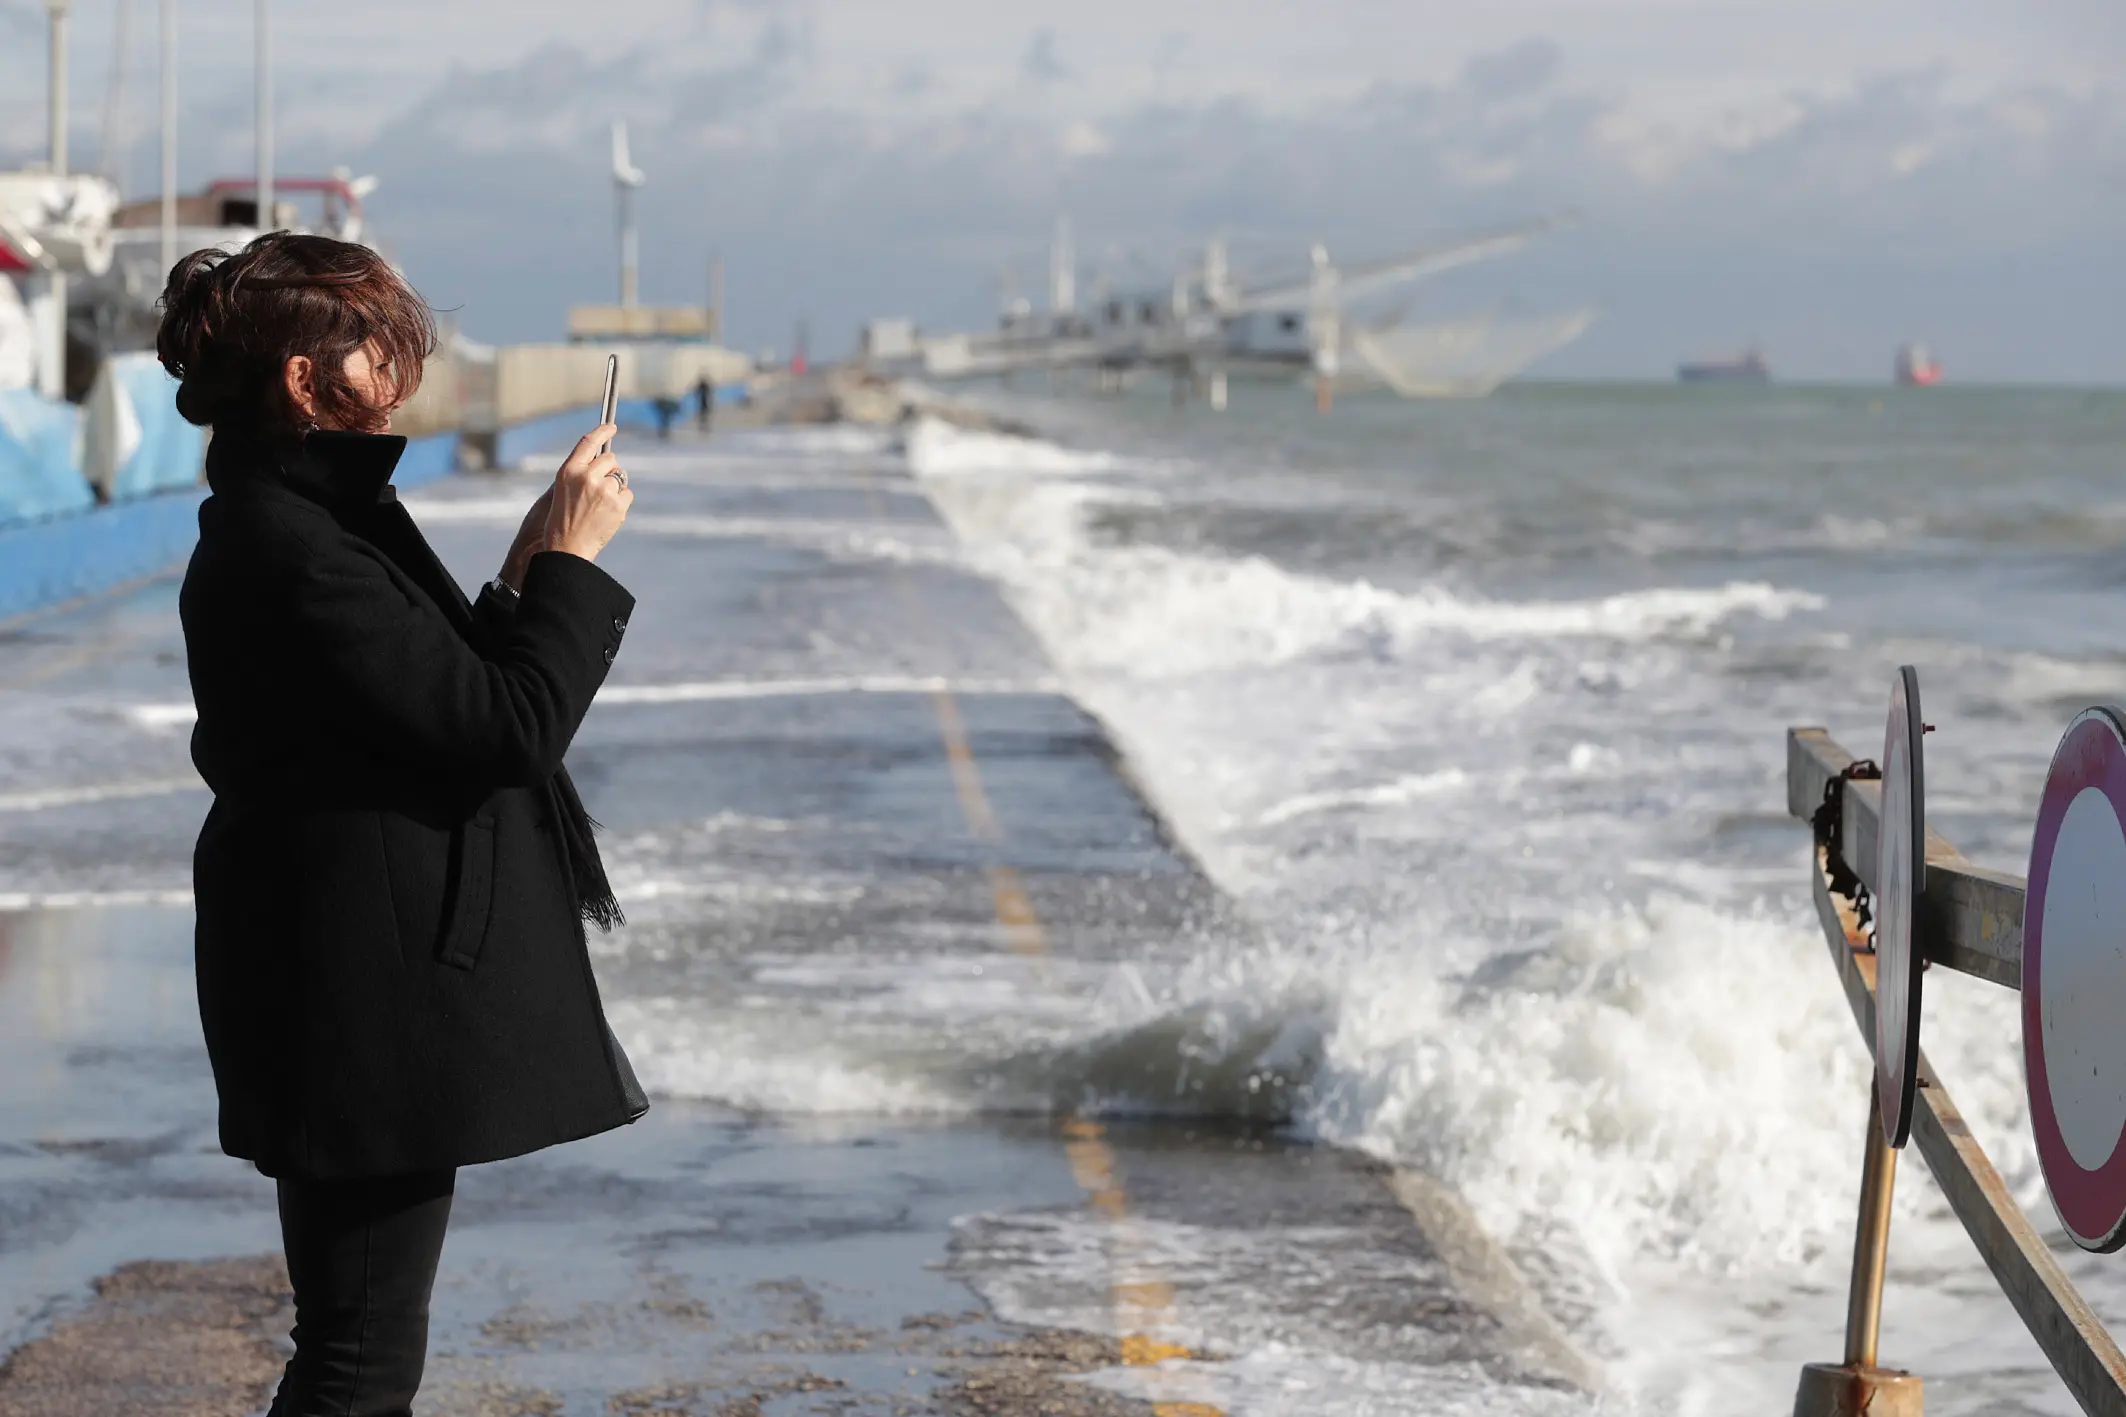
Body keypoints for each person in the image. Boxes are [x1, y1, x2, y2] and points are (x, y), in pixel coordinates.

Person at [158, 232, 646, 1417]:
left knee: (358, 1340)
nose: (401, 362)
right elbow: (504, 727)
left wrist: (534, 556)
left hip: (343, 978)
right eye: (377, 341)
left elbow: (430, 690)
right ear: (302, 378)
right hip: (351, 996)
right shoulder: (294, 548)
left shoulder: (309, 521)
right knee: (358, 1354)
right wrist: (577, 564)